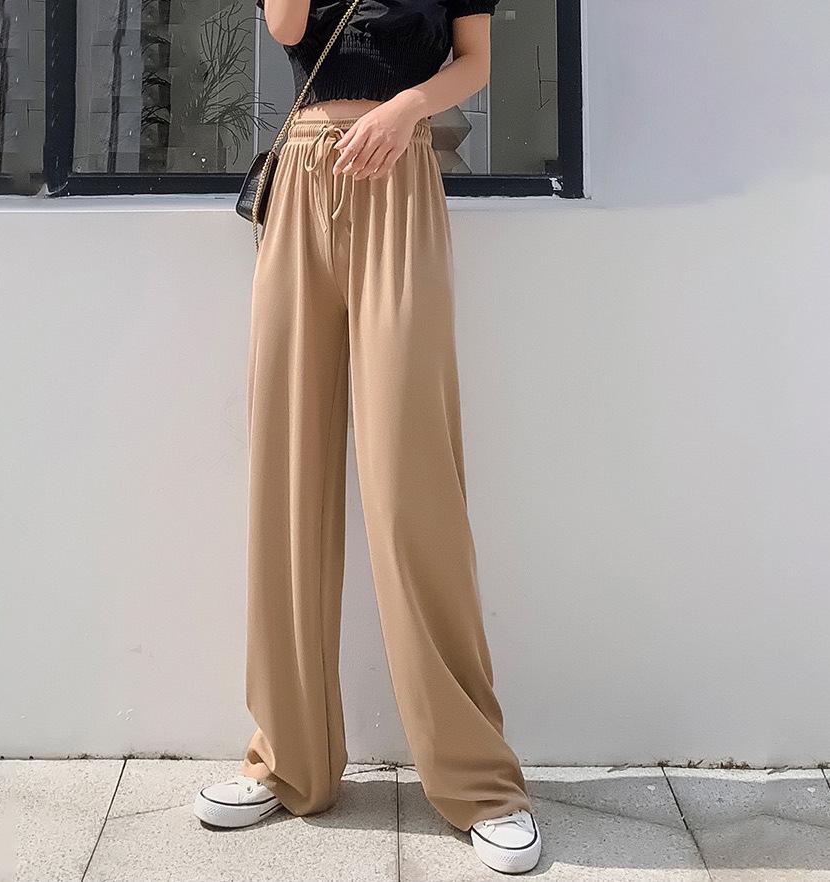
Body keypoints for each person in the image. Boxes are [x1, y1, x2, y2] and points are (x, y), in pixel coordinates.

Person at [193, 0, 541, 873]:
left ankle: (479, 782)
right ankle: (290, 761)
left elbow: (474, 60)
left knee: (412, 479)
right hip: (302, 182)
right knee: (288, 471)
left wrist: (406, 108)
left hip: (399, 177)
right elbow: (284, 28)